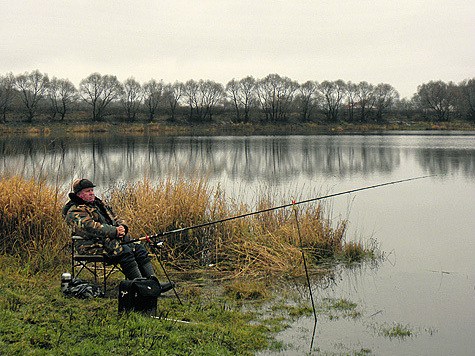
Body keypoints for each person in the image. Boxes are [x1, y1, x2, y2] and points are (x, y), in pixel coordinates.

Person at [62, 178, 173, 292]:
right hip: (90, 246)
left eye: (92, 190)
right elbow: (91, 227)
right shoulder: (74, 211)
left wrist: (122, 228)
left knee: (139, 248)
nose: (92, 193)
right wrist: (115, 231)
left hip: (109, 243)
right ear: (79, 194)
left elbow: (116, 218)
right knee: (124, 251)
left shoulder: (99, 205)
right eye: (88, 191)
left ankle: (154, 283)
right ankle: (141, 287)